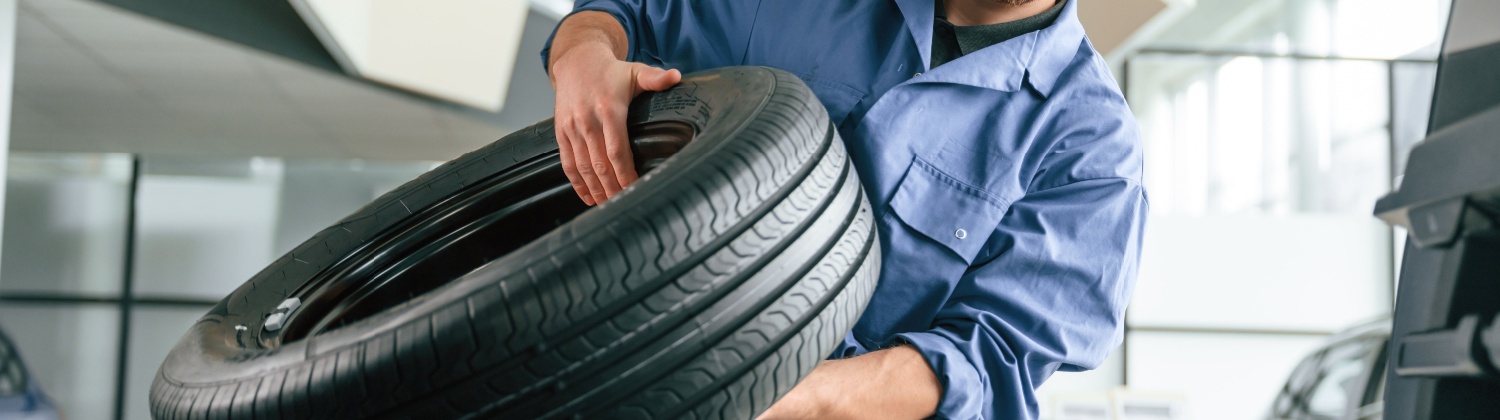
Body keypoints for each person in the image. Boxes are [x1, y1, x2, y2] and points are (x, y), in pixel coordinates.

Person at [543, 0, 1147, 418]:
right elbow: (630, 10)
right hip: (594, 352)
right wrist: (582, 54)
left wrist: (784, 397)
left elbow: (988, 361)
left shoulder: (1094, 151)